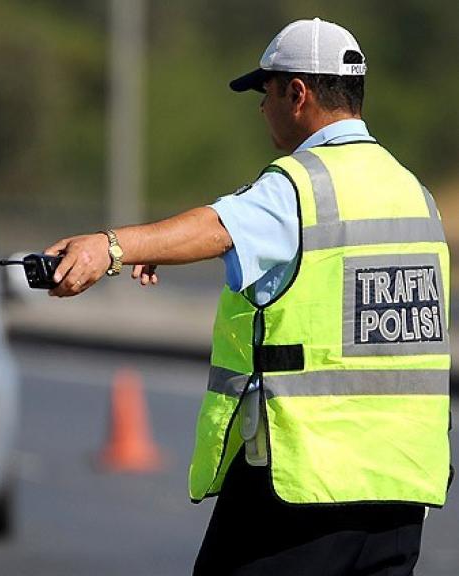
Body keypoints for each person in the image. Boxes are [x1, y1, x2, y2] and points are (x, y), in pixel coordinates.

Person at [44, 18, 450, 575]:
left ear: (298, 94)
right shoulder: (415, 195)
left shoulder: (300, 184)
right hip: (403, 492)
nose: (262, 109)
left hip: (305, 489)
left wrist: (109, 247)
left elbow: (217, 227)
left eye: (266, 92)